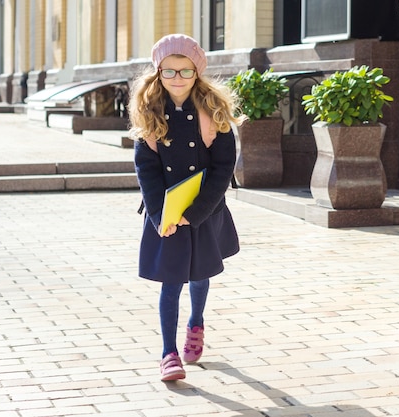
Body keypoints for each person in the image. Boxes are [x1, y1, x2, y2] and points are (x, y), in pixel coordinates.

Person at [128, 33, 246, 381]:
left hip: (203, 210)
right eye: (169, 71)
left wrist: (193, 213)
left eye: (186, 71)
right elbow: (146, 170)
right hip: (166, 211)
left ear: (197, 73)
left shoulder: (213, 113)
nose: (177, 79)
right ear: (158, 73)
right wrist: (160, 214)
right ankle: (169, 353)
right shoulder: (150, 114)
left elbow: (224, 168)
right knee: (171, 281)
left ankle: (196, 323)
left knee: (200, 273)